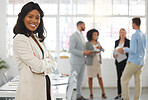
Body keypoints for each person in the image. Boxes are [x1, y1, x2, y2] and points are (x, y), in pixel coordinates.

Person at [13, 2, 57, 100]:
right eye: (30, 16)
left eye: (37, 18)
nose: (34, 20)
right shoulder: (20, 39)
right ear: (23, 18)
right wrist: (46, 63)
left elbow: (54, 63)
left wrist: (43, 65)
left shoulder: (38, 39)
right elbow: (38, 67)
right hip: (31, 91)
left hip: (45, 87)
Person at [117, 17, 147, 100]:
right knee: (138, 81)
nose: (132, 25)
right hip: (141, 62)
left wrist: (124, 49)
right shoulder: (143, 35)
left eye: (132, 23)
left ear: (134, 23)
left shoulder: (135, 35)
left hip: (133, 62)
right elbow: (142, 49)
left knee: (123, 80)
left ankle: (126, 98)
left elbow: (133, 50)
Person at [69, 21, 92, 100]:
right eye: (83, 25)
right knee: (72, 80)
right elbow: (71, 49)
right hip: (75, 62)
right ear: (79, 25)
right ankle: (68, 96)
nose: (85, 27)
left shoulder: (81, 36)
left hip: (82, 61)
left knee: (80, 80)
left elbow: (82, 47)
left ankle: (79, 96)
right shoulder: (74, 36)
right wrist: (83, 52)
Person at [86, 29, 107, 99]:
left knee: (100, 77)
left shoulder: (98, 42)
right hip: (91, 62)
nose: (96, 36)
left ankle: (103, 92)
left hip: (97, 62)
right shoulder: (88, 43)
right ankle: (91, 93)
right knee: (90, 77)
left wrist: (101, 48)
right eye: (94, 34)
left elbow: (103, 50)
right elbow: (87, 52)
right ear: (91, 35)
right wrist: (94, 52)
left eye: (97, 34)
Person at [113, 28, 130, 99]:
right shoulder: (116, 42)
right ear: (119, 34)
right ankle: (119, 94)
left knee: (125, 78)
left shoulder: (128, 42)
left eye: (124, 32)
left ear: (126, 33)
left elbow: (131, 51)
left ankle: (125, 95)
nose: (122, 34)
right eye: (121, 32)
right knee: (119, 78)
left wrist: (124, 52)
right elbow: (114, 51)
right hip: (118, 61)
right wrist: (114, 55)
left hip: (126, 61)